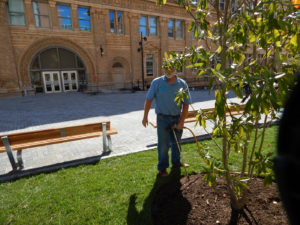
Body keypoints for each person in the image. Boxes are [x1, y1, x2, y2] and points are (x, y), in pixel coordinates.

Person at [142, 62, 191, 177]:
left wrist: (181, 122)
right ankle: (163, 168)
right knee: (163, 145)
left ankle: (176, 162)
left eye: (171, 69)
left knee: (176, 143)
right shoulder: (157, 82)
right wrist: (145, 117)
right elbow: (149, 100)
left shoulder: (182, 84)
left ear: (175, 69)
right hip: (162, 119)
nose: (168, 71)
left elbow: (186, 105)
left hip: (176, 118)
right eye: (166, 69)